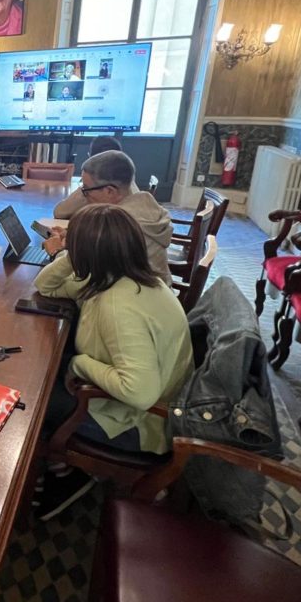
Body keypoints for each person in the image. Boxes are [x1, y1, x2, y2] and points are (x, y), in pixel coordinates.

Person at [32, 204, 193, 519]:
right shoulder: (127, 277)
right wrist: (70, 253)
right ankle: (64, 465)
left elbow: (139, 392)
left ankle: (65, 474)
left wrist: (79, 365)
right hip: (148, 405)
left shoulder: (118, 305)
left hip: (138, 424)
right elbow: (46, 285)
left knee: (31, 399)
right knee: (47, 366)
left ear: (88, 255)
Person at [47, 153, 165, 284]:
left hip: (127, 300)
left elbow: (87, 282)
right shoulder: (144, 205)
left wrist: (56, 252)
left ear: (110, 191)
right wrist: (76, 239)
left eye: (86, 189)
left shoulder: (119, 226)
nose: (84, 195)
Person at [50, 137, 138, 220]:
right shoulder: (131, 189)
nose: (85, 193)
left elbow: (60, 212)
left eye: (86, 190)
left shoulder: (124, 223)